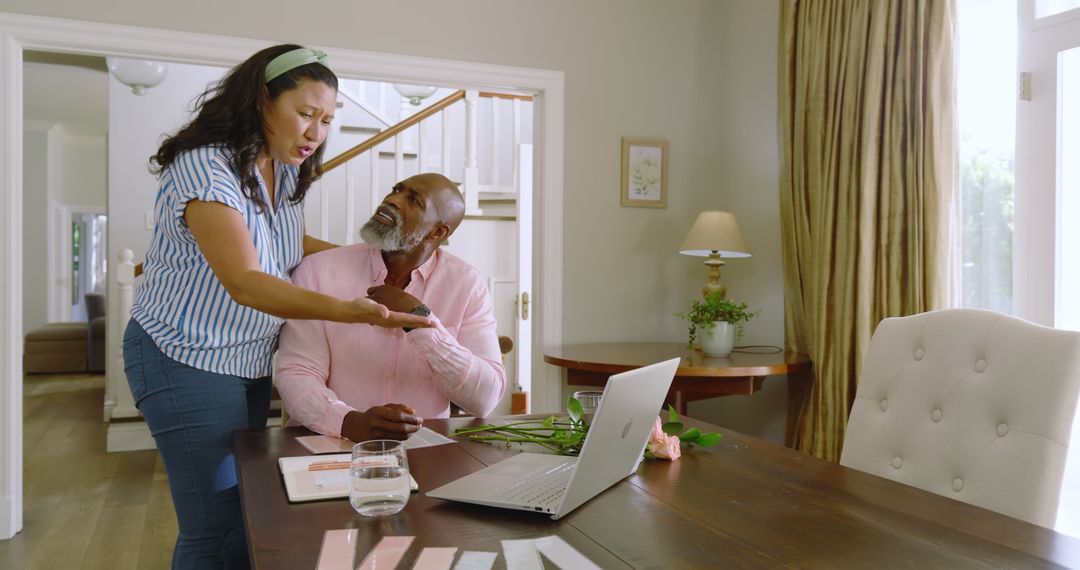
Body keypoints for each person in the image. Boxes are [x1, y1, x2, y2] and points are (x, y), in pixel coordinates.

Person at [121, 44, 431, 570]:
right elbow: (246, 280)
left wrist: (369, 261)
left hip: (244, 360)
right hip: (184, 357)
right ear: (263, 100)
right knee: (212, 524)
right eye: (306, 114)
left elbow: (285, 245)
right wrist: (350, 307)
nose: (316, 132)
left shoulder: (281, 168)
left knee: (248, 508)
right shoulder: (206, 170)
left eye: (328, 119)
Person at [275, 172, 507, 442]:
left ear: (438, 231)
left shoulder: (466, 284)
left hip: (422, 456)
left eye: (413, 200)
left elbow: (485, 399)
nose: (393, 200)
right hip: (327, 445)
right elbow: (297, 373)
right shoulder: (318, 271)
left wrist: (421, 322)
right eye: (396, 189)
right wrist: (348, 422)